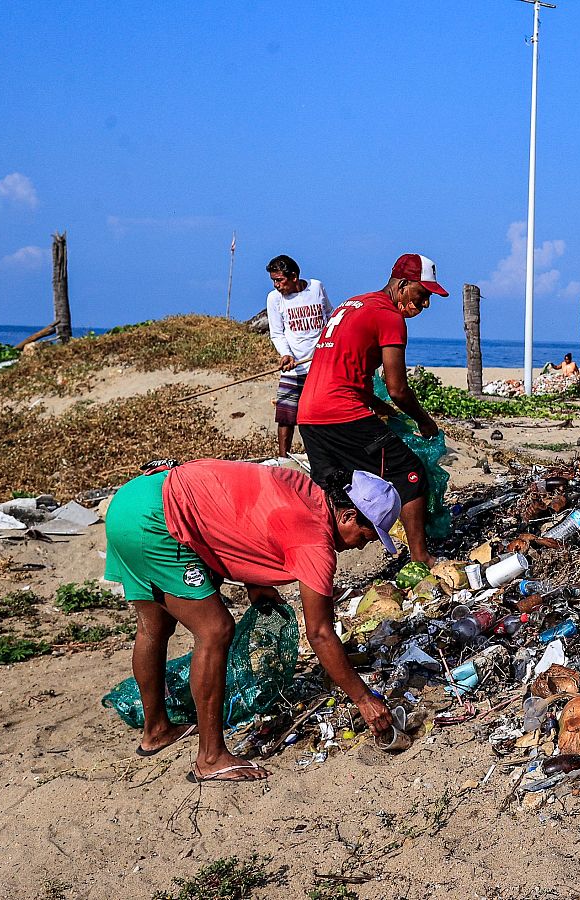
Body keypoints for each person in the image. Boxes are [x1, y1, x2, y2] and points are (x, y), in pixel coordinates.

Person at [104, 459, 400, 782]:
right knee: (215, 630)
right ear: (346, 515)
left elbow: (244, 511)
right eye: (365, 536)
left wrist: (256, 583)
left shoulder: (298, 485)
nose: (360, 546)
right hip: (158, 521)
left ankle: (157, 730)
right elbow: (320, 634)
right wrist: (364, 699)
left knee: (153, 626)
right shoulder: (315, 542)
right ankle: (211, 757)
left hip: (132, 501)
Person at [297, 253, 446, 566]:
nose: (425, 305)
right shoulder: (389, 316)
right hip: (341, 411)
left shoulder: (354, 304)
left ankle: (316, 568)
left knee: (332, 493)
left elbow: (355, 374)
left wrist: (382, 410)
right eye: (423, 295)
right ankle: (421, 558)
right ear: (403, 285)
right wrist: (425, 422)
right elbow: (398, 389)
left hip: (309, 414)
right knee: (410, 472)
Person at [265, 255, 333, 459]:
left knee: (320, 417)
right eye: (274, 281)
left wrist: (330, 345)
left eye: (279, 280)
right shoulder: (274, 299)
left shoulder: (316, 287)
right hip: (294, 369)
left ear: (294, 276)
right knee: (286, 417)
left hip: (320, 367)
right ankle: (283, 459)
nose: (277, 285)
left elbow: (329, 315)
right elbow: (277, 333)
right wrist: (286, 354)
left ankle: (323, 458)